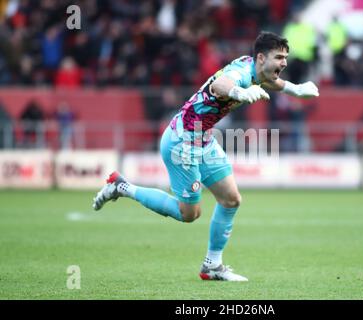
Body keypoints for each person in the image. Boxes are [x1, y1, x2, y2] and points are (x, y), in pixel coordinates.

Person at [92, 31, 319, 281]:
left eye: (286, 57)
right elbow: (219, 84)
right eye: (279, 57)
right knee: (189, 214)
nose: (284, 62)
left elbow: (269, 80)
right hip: (182, 142)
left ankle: (212, 266)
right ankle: (122, 187)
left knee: (231, 200)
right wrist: (239, 93)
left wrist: (296, 90)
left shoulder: (254, 67)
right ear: (262, 57)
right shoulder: (241, 75)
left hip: (203, 138)